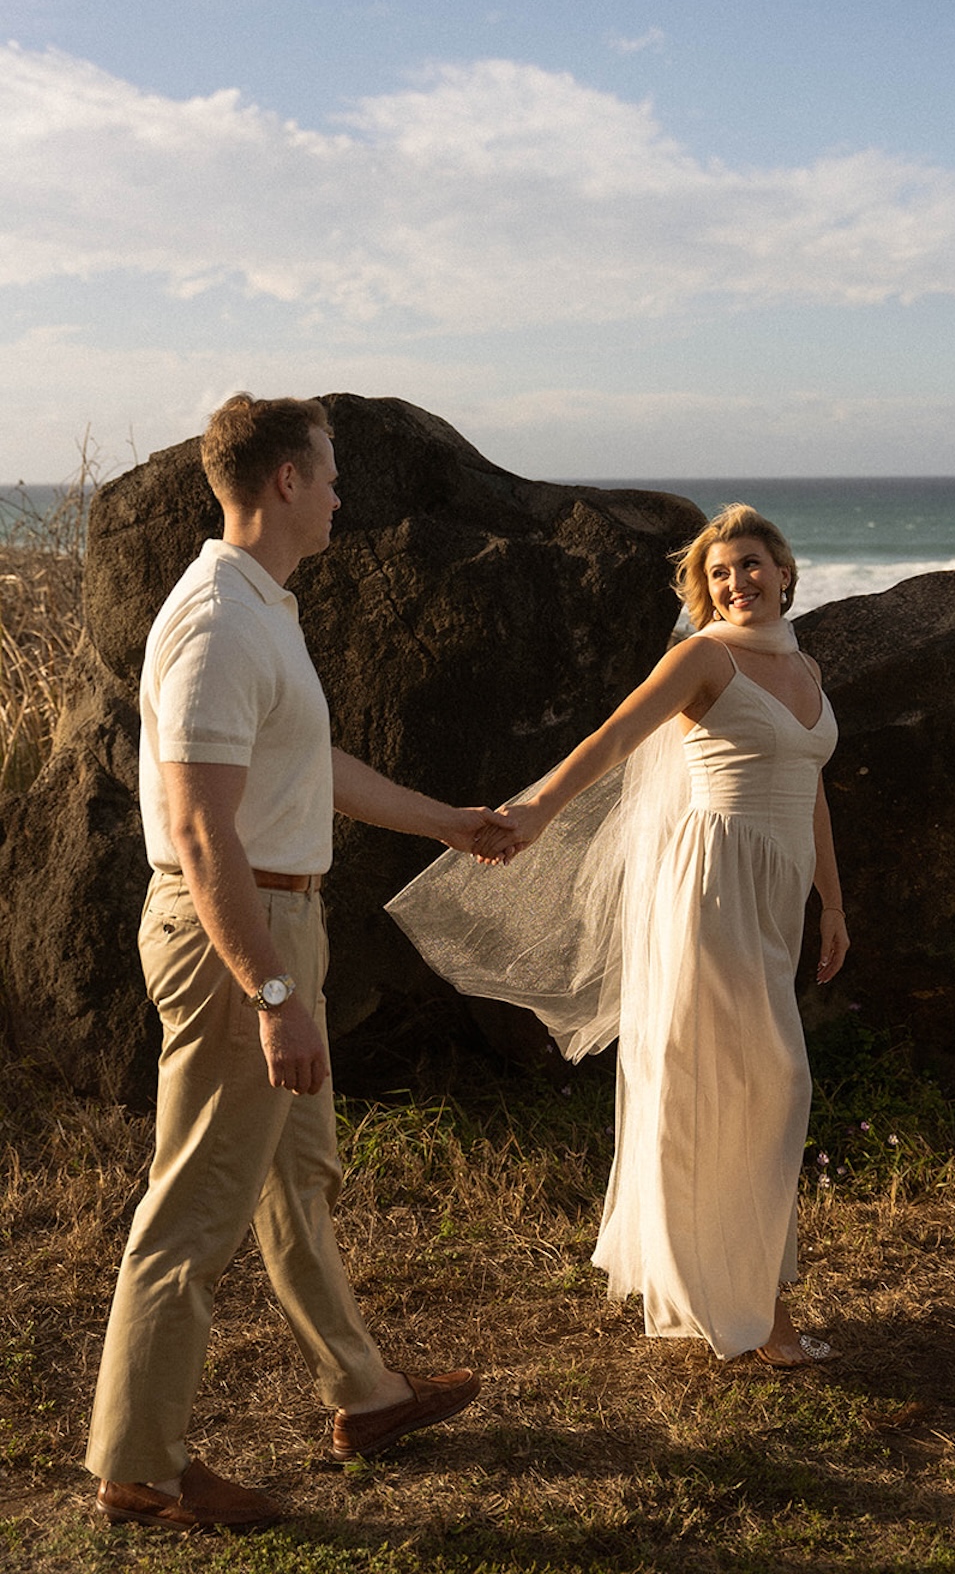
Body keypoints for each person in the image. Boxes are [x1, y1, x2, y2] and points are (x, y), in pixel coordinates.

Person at [86, 393, 514, 1533]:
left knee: (296, 1178)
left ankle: (365, 1394)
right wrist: (271, 992)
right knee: (195, 1210)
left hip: (286, 920)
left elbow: (308, 764)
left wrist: (447, 821)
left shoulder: (264, 606)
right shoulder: (218, 619)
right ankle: (141, 1469)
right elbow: (198, 832)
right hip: (238, 934)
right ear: (283, 482)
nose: (339, 495)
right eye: (327, 476)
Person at [394, 504, 848, 1366]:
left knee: (754, 1086)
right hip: (709, 887)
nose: (737, 583)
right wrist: (532, 810)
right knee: (768, 1083)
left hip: (776, 896)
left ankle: (740, 1287)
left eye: (751, 565)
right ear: (705, 593)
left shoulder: (808, 670)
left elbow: (810, 781)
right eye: (719, 574)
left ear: (785, 573)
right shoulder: (702, 660)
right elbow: (611, 740)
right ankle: (756, 1309)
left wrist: (834, 901)